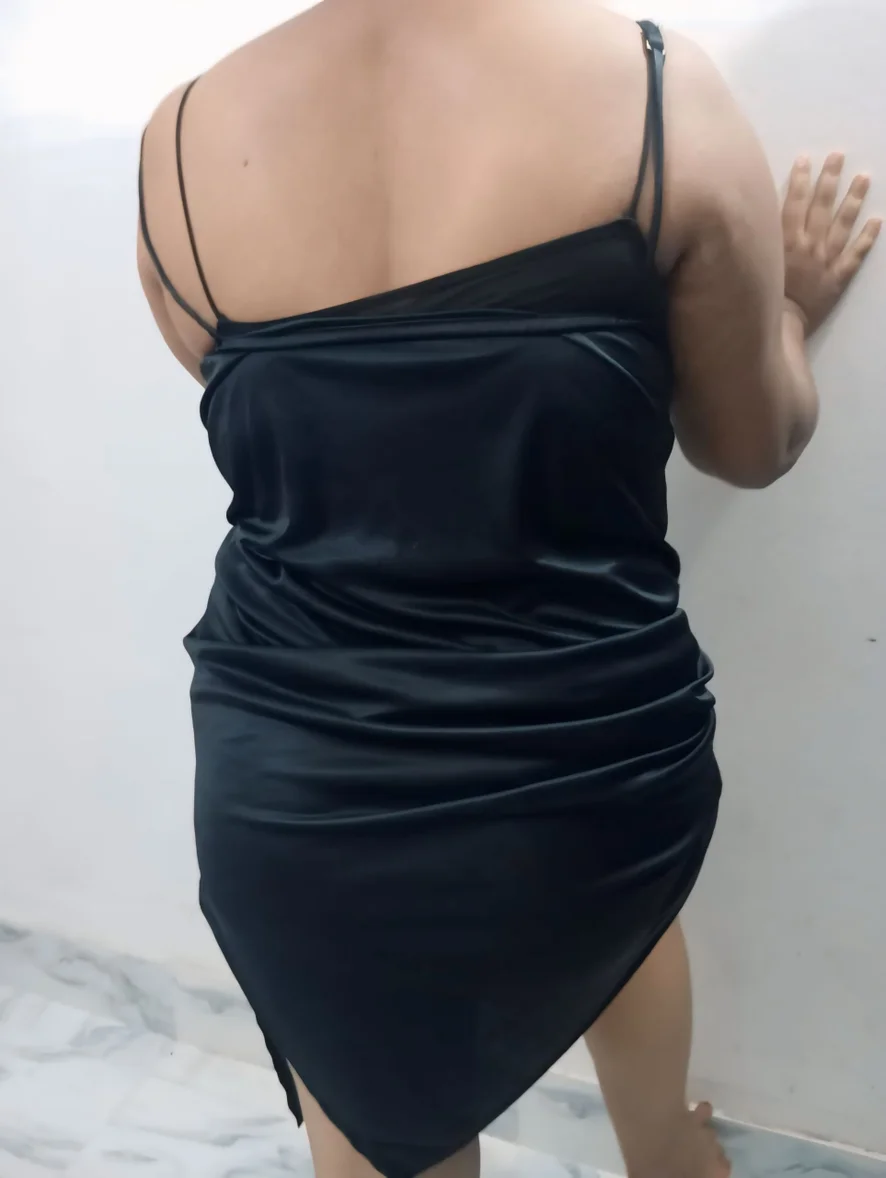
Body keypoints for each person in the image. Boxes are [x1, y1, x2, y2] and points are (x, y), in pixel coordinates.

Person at [136, 3, 880, 1178]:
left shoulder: (178, 145)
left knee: (381, 1111)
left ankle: (661, 1148)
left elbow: (316, 444)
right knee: (605, 892)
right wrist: (781, 311)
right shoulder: (656, 99)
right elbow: (750, 442)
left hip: (300, 768)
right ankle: (667, 1150)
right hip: (584, 736)